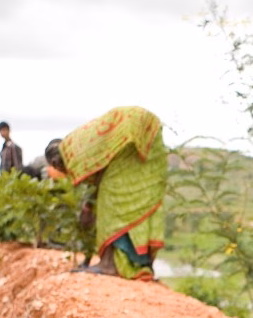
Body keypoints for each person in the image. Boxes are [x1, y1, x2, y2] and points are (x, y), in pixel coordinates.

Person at [44, 106, 167, 280]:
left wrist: (87, 208)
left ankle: (109, 264)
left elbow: (98, 178)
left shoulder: (73, 155)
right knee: (131, 204)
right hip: (148, 136)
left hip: (137, 133)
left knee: (109, 205)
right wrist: (88, 206)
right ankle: (138, 264)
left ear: (56, 162)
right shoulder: (76, 143)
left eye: (59, 168)